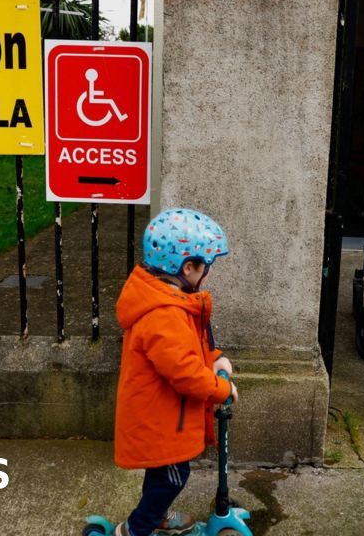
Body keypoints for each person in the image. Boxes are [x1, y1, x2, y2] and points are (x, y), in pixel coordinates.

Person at [113, 208, 238, 536]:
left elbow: (188, 350)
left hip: (165, 416)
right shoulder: (163, 315)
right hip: (160, 422)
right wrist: (221, 388)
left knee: (161, 477)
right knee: (172, 478)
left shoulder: (172, 301)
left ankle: (157, 517)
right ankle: (135, 529)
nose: (207, 274)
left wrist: (215, 358)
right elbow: (184, 372)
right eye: (205, 267)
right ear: (188, 267)